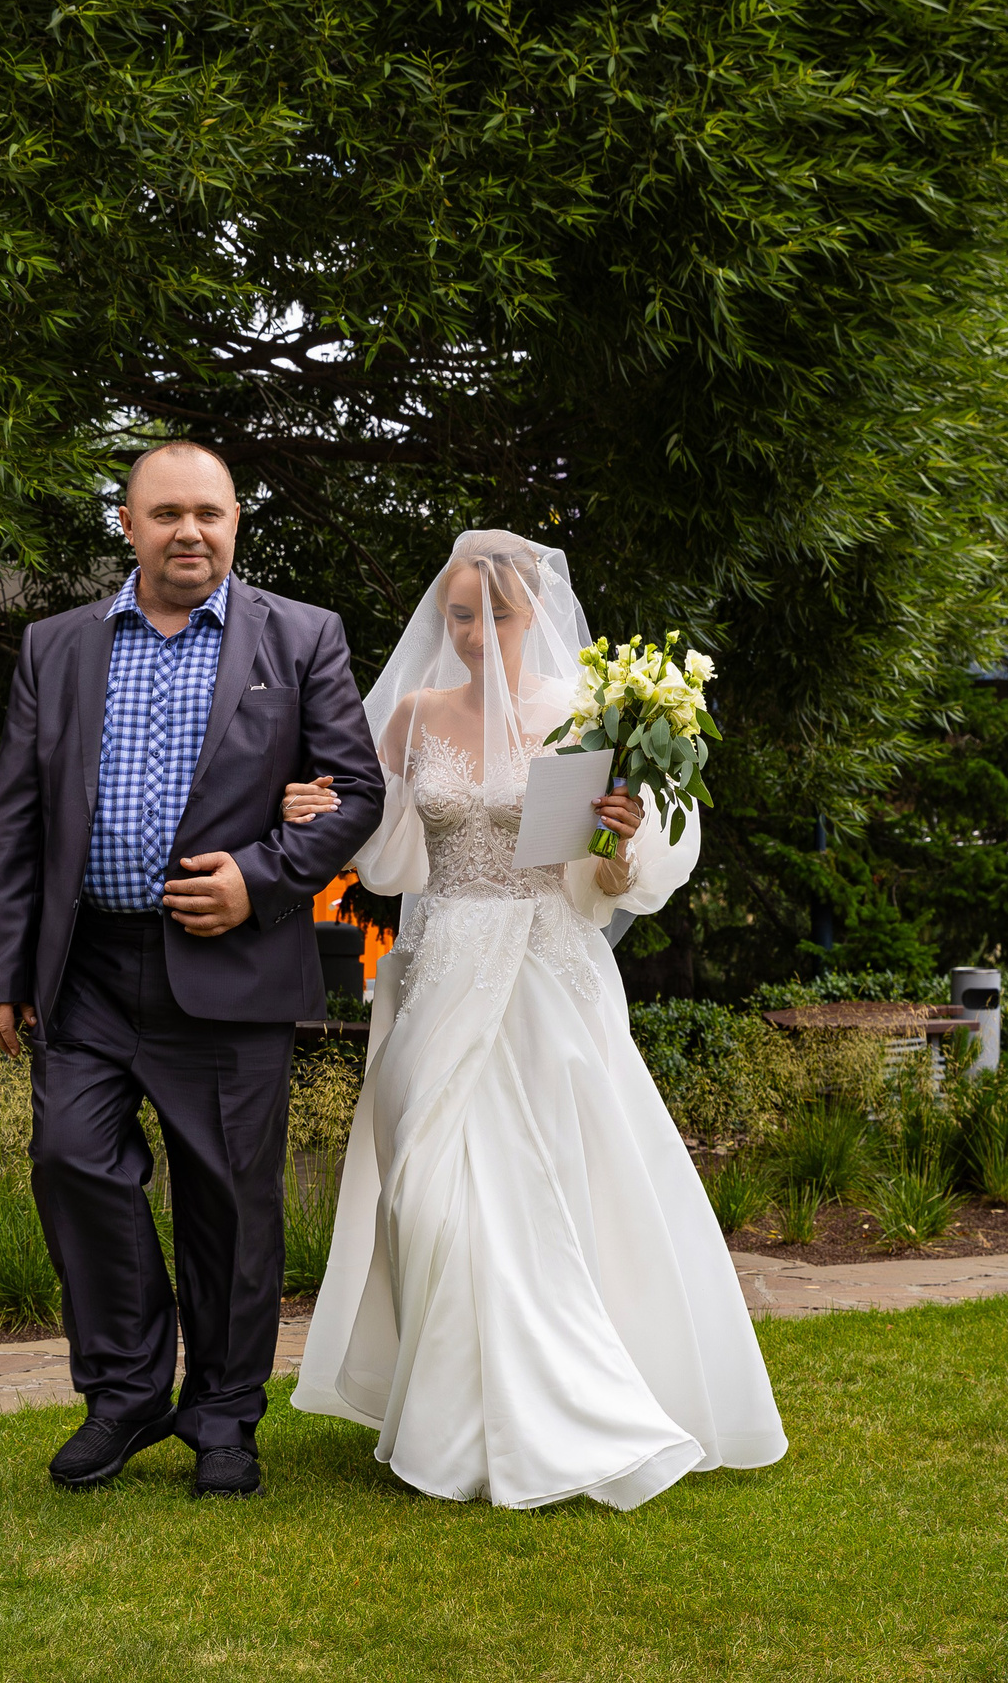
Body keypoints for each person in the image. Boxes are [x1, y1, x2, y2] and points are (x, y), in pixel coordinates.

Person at [284, 529, 787, 1510]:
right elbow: (375, 847)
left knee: (546, 1192)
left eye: (497, 613)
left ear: (533, 616)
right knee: (421, 1192)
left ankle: (564, 1410)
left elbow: (610, 876)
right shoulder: (416, 716)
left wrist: (625, 843)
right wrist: (311, 804)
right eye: (460, 613)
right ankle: (449, 1411)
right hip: (434, 975)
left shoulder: (585, 717)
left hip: (544, 973)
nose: (476, 631)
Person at [0, 441, 384, 1498]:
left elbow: (354, 794)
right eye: (165, 513)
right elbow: (13, 818)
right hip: (89, 969)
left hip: (232, 969)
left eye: (207, 512)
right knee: (70, 1160)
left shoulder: (301, 638)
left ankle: (224, 1416)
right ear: (127, 524)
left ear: (236, 520)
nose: (187, 531)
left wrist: (261, 877)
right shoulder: (54, 647)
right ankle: (124, 1390)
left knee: (232, 1206)